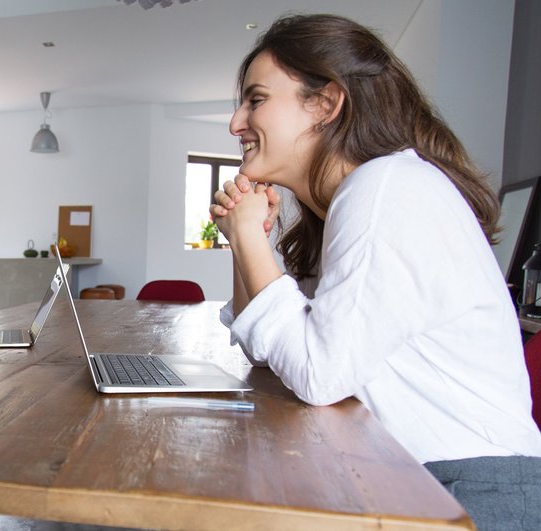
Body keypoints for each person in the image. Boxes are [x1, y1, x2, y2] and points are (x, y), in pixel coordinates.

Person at [211, 14, 541, 530]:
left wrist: (251, 236)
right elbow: (269, 351)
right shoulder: (357, 198)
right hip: (417, 478)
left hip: (475, 494)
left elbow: (317, 373)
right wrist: (243, 240)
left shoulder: (385, 189)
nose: (235, 122)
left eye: (255, 100)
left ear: (325, 104)